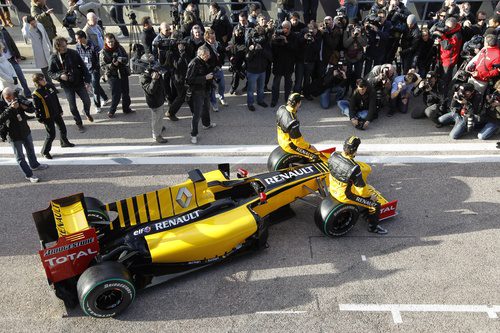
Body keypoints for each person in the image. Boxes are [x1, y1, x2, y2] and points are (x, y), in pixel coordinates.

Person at [328, 136, 388, 234]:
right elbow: (362, 190)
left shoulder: (333, 155)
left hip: (332, 189)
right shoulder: (354, 168)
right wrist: (370, 197)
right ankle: (373, 228)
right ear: (355, 151)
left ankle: (362, 209)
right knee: (375, 205)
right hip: (344, 196)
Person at [0, 87, 48, 183]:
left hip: (25, 129)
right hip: (13, 134)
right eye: (12, 98)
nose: (15, 98)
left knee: (30, 149)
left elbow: (31, 109)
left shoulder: (17, 96)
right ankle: (29, 175)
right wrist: (11, 108)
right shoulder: (0, 104)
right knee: (20, 157)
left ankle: (34, 165)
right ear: (8, 97)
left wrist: (26, 107)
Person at [48, 36, 92, 132]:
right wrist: (60, 76)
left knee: (87, 101)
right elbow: (50, 73)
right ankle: (79, 124)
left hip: (79, 82)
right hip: (67, 85)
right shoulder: (54, 57)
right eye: (63, 46)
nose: (65, 47)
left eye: (66, 45)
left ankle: (86, 112)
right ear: (57, 47)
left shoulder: (73, 53)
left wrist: (87, 81)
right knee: (72, 106)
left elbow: (84, 67)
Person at [32, 73, 75, 159]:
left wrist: (60, 109)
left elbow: (55, 99)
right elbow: (37, 108)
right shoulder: (36, 94)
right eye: (41, 79)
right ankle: (45, 151)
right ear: (37, 82)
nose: (44, 80)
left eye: (43, 78)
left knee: (63, 128)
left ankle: (64, 143)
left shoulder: (50, 86)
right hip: (47, 116)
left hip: (56, 112)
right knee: (51, 134)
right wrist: (39, 118)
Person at [276, 93, 324, 162]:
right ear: (298, 103)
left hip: (281, 140)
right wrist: (309, 146)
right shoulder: (293, 123)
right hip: (289, 145)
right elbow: (298, 143)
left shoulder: (281, 108)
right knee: (316, 156)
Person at [185, 45, 216, 144]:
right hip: (197, 92)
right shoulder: (194, 63)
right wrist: (205, 78)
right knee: (197, 114)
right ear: (200, 55)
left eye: (208, 55)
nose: (208, 57)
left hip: (205, 89)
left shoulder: (204, 62)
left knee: (206, 108)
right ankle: (193, 134)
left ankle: (206, 124)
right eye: (206, 55)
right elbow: (189, 80)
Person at [100, 33, 134, 118]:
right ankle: (112, 111)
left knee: (126, 93)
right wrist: (112, 65)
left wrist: (121, 60)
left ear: (114, 40)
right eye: (109, 42)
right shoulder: (103, 52)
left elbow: (126, 58)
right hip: (112, 75)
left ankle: (126, 108)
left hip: (123, 73)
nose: (111, 44)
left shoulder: (119, 48)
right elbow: (102, 66)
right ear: (105, 42)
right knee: (116, 94)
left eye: (112, 41)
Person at [75, 30, 108, 114]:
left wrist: (98, 69)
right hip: (85, 70)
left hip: (94, 69)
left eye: (77, 39)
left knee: (94, 88)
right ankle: (105, 98)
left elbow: (99, 59)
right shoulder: (78, 46)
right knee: (95, 85)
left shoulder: (94, 46)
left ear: (83, 38)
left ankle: (97, 105)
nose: (76, 41)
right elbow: (79, 59)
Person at [139, 54, 168, 144]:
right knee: (156, 118)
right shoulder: (143, 77)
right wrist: (154, 80)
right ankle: (156, 135)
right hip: (154, 101)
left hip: (160, 98)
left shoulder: (155, 71)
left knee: (160, 115)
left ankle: (159, 128)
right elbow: (150, 90)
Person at [271, 20, 297, 107]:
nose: (285, 30)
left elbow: (294, 49)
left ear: (290, 28)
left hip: (288, 64)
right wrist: (273, 40)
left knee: (288, 84)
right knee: (276, 84)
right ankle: (274, 100)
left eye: (287, 28)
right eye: (283, 28)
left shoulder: (293, 36)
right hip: (278, 63)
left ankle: (287, 99)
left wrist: (286, 41)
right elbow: (273, 49)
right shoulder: (278, 34)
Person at [0, 26, 32, 97]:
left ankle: (28, 93)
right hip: (3, 63)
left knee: (21, 78)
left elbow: (12, 43)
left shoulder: (4, 33)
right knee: (10, 82)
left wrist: (17, 55)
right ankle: (14, 96)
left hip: (11, 59)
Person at [22, 16, 53, 86]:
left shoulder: (40, 25)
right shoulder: (27, 29)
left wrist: (50, 48)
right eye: (32, 24)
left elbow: (46, 36)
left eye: (34, 22)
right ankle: (49, 83)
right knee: (44, 69)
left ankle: (50, 81)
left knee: (50, 67)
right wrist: (25, 24)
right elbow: (26, 36)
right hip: (39, 52)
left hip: (46, 49)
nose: (34, 24)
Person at [246, 25, 271, 111]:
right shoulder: (250, 41)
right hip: (252, 71)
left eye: (262, 31)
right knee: (251, 90)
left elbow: (270, 56)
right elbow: (247, 57)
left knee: (261, 88)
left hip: (262, 70)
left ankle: (260, 101)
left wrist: (262, 50)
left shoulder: (266, 43)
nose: (260, 33)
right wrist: (252, 50)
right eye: (258, 31)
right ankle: (250, 103)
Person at [435, 17, 463, 95]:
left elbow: (448, 46)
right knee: (440, 77)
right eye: (446, 26)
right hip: (442, 58)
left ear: (454, 26)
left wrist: (442, 36)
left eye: (450, 27)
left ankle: (443, 95)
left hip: (449, 61)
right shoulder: (449, 31)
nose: (447, 29)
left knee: (445, 79)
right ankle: (441, 92)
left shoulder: (457, 35)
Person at [204, 28, 227, 111]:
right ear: (207, 38)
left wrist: (224, 51)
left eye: (214, 37)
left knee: (222, 85)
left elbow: (222, 53)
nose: (214, 39)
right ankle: (213, 103)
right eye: (212, 38)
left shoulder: (218, 44)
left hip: (219, 69)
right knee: (212, 88)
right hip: (211, 71)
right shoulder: (205, 47)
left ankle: (222, 97)